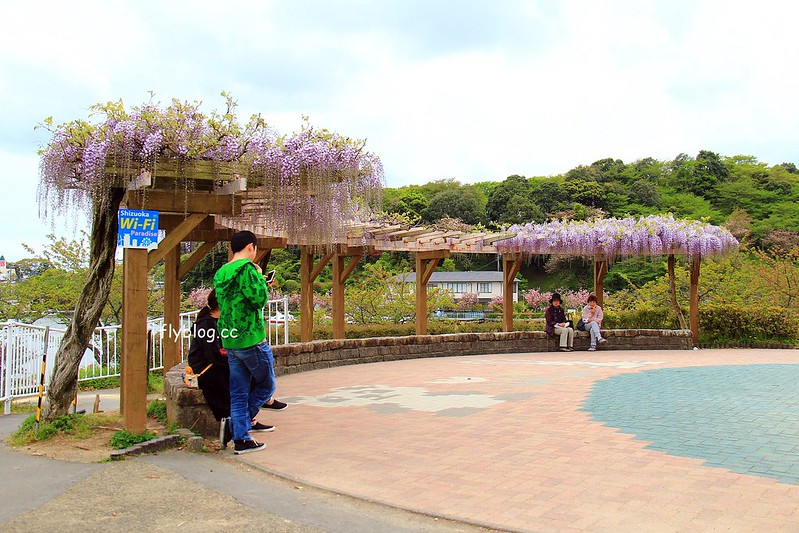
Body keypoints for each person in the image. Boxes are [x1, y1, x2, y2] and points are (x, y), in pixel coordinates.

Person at [213, 230, 279, 455]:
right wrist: (261, 278)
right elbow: (259, 299)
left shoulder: (222, 272)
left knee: (239, 392)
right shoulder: (248, 269)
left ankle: (241, 439)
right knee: (267, 385)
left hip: (230, 338)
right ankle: (235, 429)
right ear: (251, 247)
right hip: (250, 337)